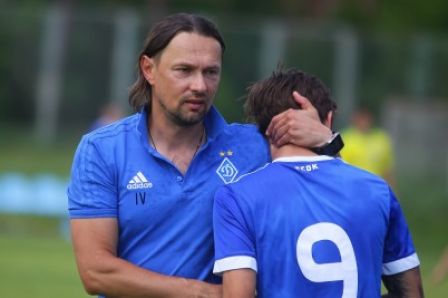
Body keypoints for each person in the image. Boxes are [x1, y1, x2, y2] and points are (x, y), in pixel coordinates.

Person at [67, 13, 338, 297]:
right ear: (148, 69)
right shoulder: (102, 150)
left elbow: (342, 202)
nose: (200, 86)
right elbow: (96, 272)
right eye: (184, 70)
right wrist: (201, 293)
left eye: (211, 72)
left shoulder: (257, 145)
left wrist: (327, 141)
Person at [213, 68, 423, 297]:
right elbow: (412, 293)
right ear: (329, 119)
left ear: (263, 130)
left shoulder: (236, 197)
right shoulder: (377, 190)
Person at [340, 107, 395, 186]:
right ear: (355, 118)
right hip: (353, 187)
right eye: (361, 118)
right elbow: (341, 169)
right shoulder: (345, 139)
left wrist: (393, 191)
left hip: (376, 188)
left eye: (366, 118)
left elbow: (387, 170)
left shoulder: (381, 138)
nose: (364, 121)